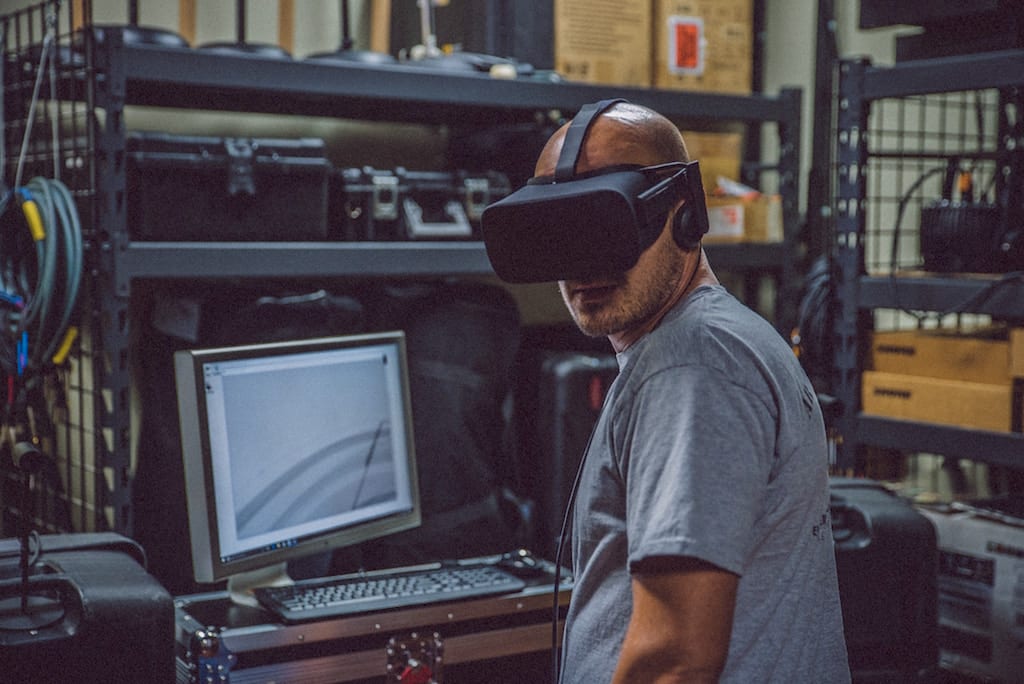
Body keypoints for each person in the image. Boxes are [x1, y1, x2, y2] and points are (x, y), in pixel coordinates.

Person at [528, 102, 850, 682]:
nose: (583, 266)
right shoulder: (724, 338)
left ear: (684, 215)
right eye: (560, 236)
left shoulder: (691, 365)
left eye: (608, 229)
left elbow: (674, 657)